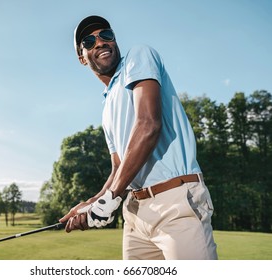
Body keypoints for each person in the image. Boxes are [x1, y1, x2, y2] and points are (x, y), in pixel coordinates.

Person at [59, 15, 218, 260]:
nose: (100, 42)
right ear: (82, 57)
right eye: (89, 41)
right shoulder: (107, 106)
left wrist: (111, 198)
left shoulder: (138, 56)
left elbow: (148, 125)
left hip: (174, 202)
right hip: (134, 214)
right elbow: (117, 168)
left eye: (106, 35)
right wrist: (92, 203)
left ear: (114, 40)